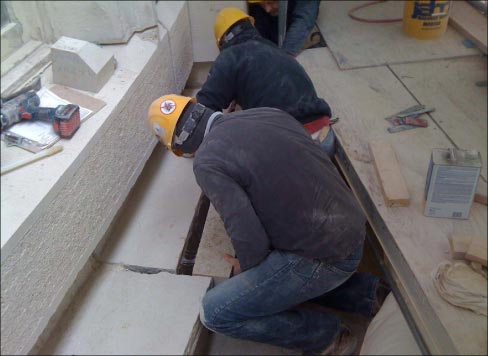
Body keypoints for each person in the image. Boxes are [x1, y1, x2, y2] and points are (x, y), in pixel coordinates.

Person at [148, 95, 389, 355]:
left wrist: (249, 268)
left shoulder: (207, 162)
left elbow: (247, 232)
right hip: (351, 228)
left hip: (325, 255)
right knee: (284, 272)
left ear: (179, 148)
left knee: (215, 312)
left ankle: (327, 336)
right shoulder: (265, 112)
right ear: (200, 107)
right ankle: (367, 294)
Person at [199, 7, 335, 156]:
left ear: (223, 41)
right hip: (324, 136)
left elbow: (205, 106)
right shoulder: (275, 50)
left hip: (291, 144)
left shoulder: (229, 57)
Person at [248, 0, 322, 57]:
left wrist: (286, 55)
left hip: (294, 13)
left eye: (270, 2)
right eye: (263, 4)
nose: (267, 10)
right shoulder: (262, 7)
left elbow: (303, 20)